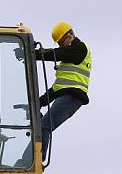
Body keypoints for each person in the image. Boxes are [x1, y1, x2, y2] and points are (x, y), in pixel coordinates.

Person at [36, 21, 91, 159]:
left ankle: (37, 161)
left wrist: (36, 54)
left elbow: (59, 53)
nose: (60, 45)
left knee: (44, 127)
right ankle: (28, 160)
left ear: (69, 37)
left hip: (72, 98)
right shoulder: (68, 60)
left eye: (61, 42)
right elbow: (57, 88)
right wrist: (38, 102)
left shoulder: (80, 49)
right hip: (66, 97)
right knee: (40, 127)